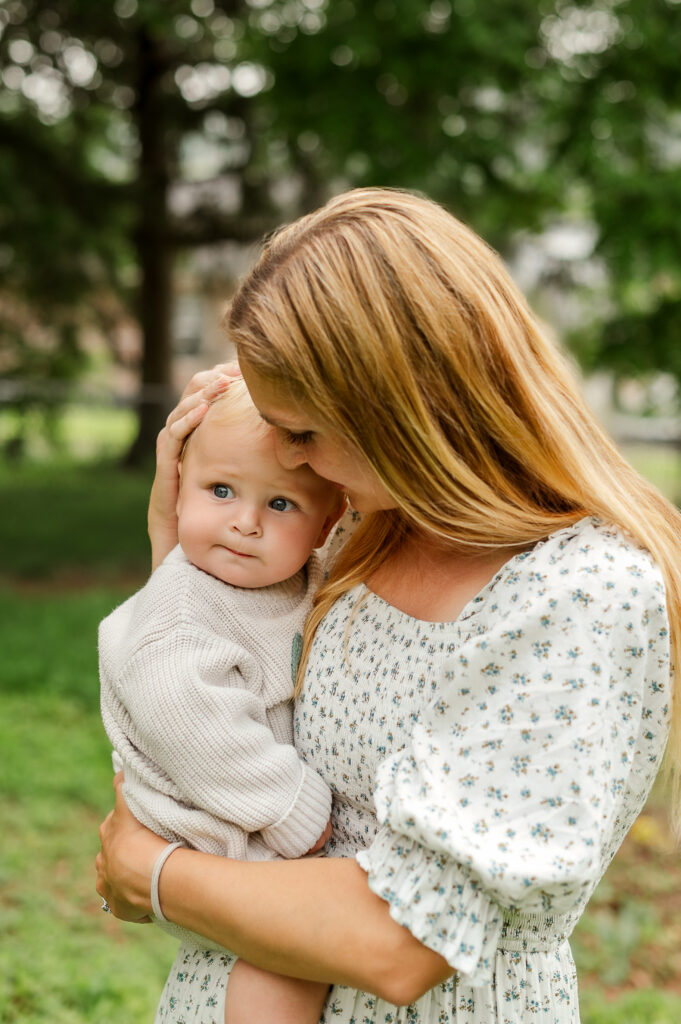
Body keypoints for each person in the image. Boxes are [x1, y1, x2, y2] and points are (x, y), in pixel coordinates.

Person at [96, 187, 681, 1024]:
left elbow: (401, 943)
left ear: (402, 408)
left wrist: (152, 873)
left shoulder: (578, 594)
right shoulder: (356, 535)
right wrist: (175, 530)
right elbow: (202, 704)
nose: (292, 466)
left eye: (302, 434)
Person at [99, 378, 345, 1024]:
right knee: (282, 972)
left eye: (283, 504)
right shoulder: (179, 618)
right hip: (211, 832)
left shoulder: (294, 576)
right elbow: (203, 737)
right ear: (178, 486)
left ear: (328, 522)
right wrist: (296, 809)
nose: (245, 521)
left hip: (245, 824)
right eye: (221, 491)